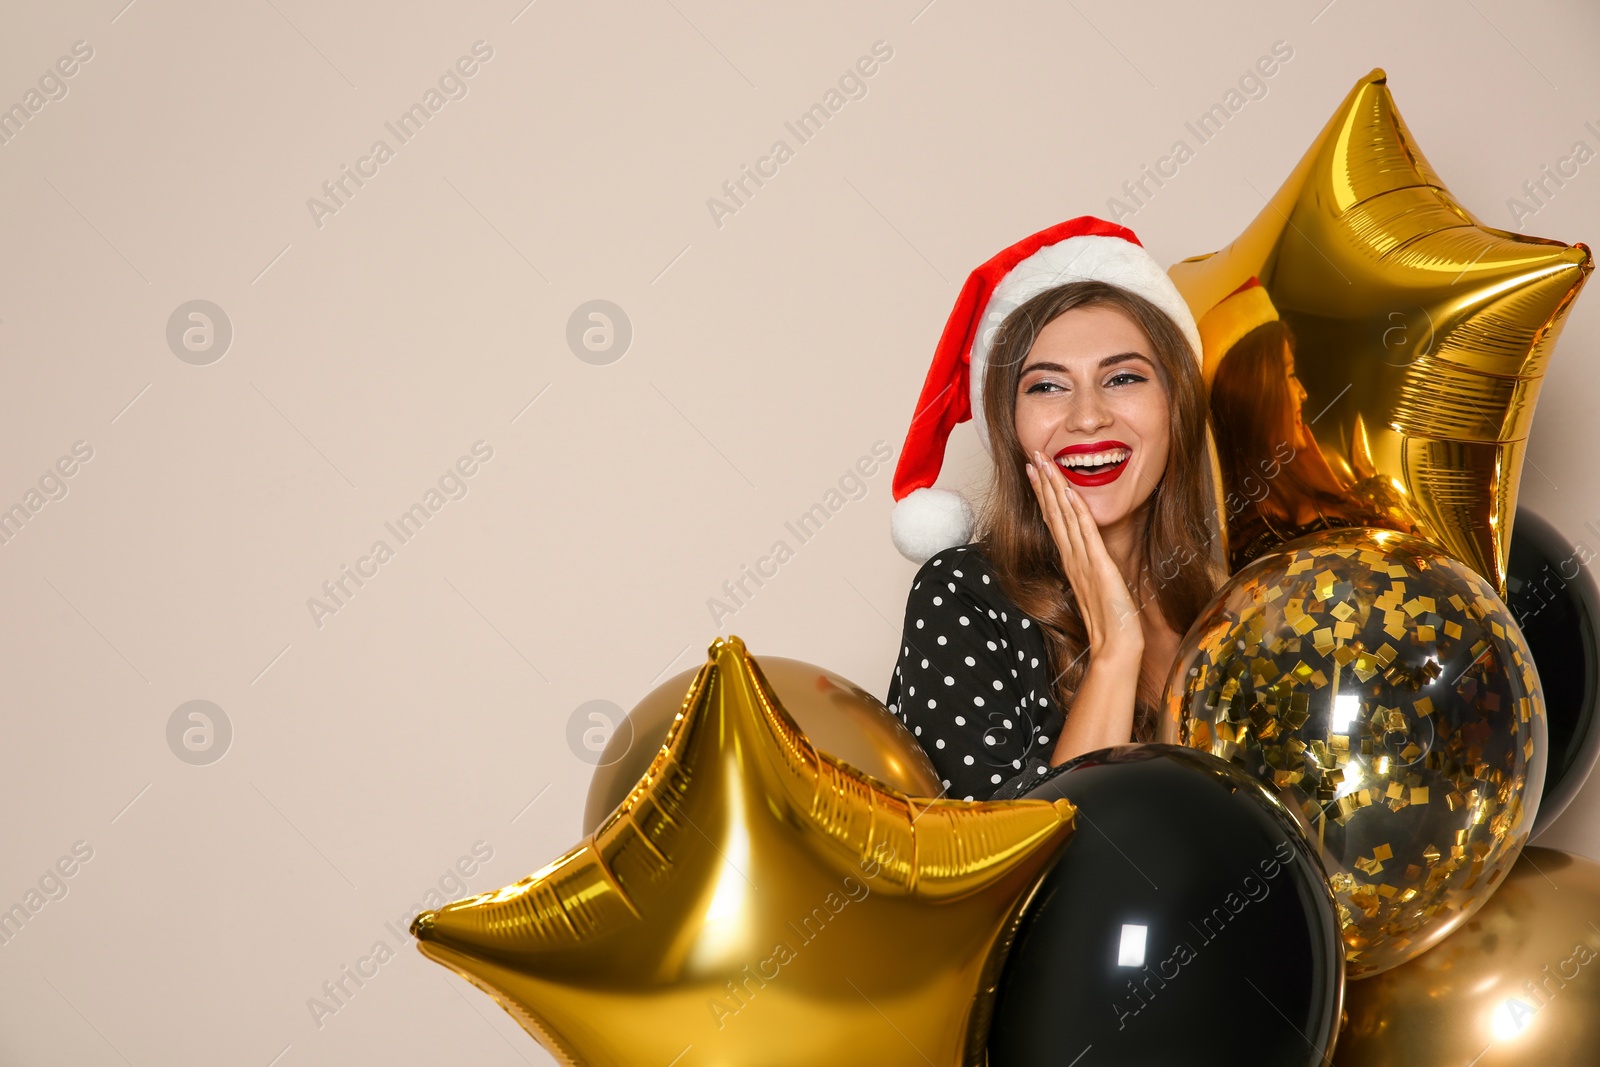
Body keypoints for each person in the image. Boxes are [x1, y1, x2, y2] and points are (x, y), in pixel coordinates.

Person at [883, 217, 1224, 801]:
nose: (1088, 417)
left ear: (1177, 407)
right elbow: (1016, 872)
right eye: (1046, 386)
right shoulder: (962, 597)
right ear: (1010, 424)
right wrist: (1115, 653)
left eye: (1122, 377)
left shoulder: (1232, 608)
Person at [1201, 277, 1397, 571]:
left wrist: (1336, 493)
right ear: (1258, 394)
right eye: (1290, 375)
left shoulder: (1315, 484)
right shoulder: (1256, 545)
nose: (1302, 393)